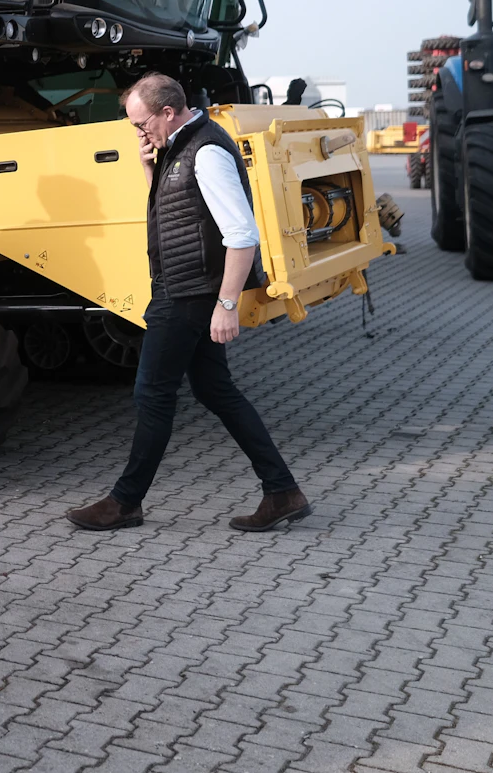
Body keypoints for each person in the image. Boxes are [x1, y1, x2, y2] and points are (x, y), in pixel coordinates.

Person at [67, 72, 311, 533]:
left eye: (142, 124)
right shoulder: (177, 148)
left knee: (152, 393)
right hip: (184, 287)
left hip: (187, 293)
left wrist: (226, 304)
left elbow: (242, 236)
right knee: (214, 389)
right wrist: (149, 167)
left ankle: (125, 502)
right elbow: (179, 212)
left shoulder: (208, 151)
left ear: (167, 111)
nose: (139, 132)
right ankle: (282, 491)